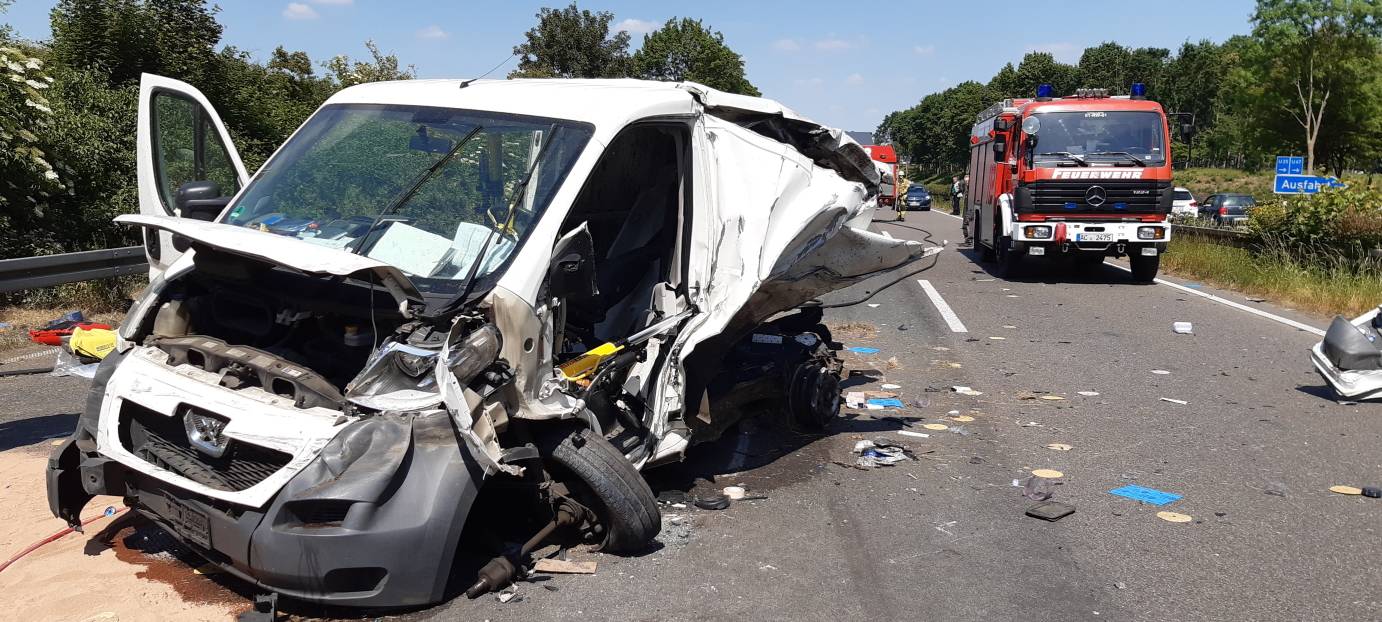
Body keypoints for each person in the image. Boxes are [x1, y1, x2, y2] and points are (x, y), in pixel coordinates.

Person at [959, 174, 973, 246]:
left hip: (970, 210)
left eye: (968, 181)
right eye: (966, 181)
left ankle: (969, 240)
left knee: (968, 224)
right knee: (964, 224)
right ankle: (967, 239)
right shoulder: (965, 188)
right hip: (966, 209)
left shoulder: (973, 190)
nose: (967, 182)